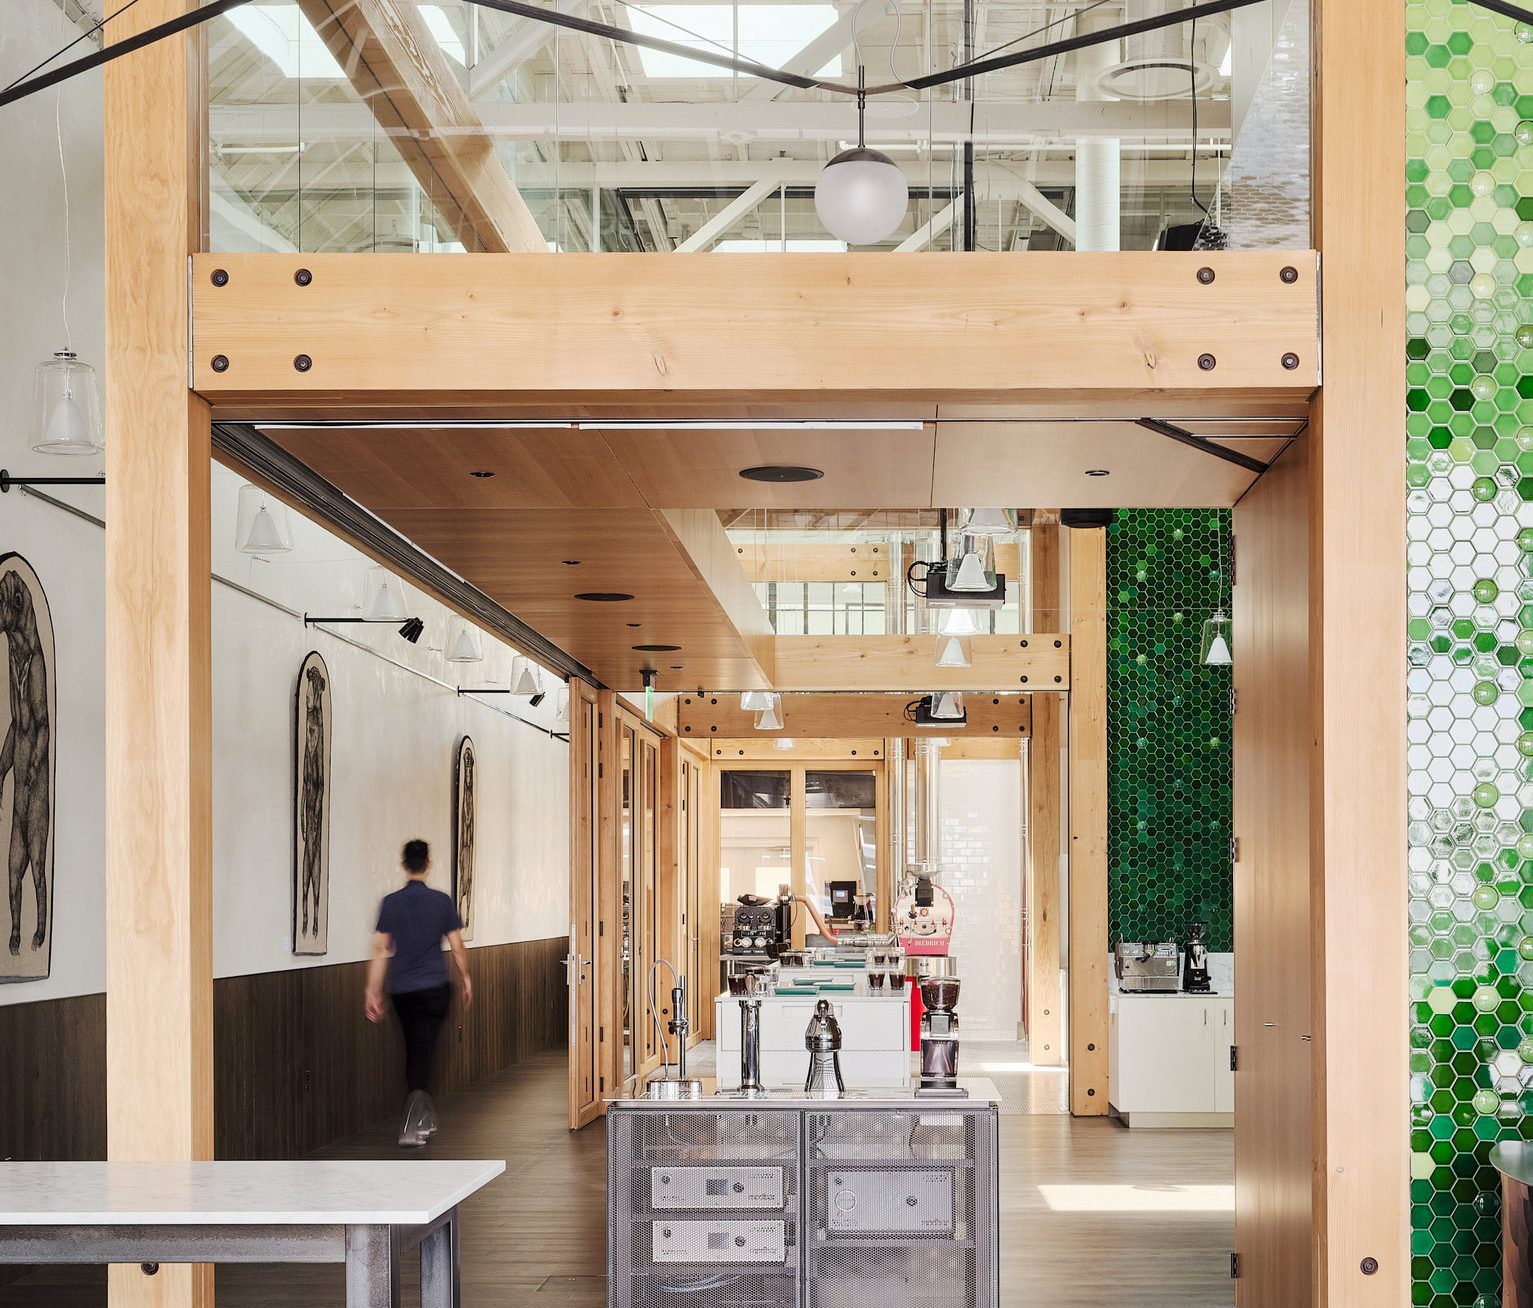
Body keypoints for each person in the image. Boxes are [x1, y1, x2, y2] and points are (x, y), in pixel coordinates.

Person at [365, 839, 473, 1147]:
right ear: (428, 864)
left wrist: (372, 990)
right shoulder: (441, 901)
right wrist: (465, 977)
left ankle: (424, 1115)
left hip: (402, 991)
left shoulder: (391, 903)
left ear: (404, 865)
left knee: (416, 1048)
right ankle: (413, 1122)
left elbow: (380, 947)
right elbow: (456, 945)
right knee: (423, 1050)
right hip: (434, 989)